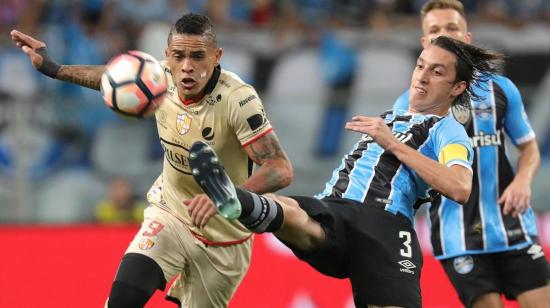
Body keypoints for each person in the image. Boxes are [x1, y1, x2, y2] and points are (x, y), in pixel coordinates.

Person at [188, 36, 506, 307]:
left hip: (386, 226)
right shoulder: (390, 118)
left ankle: (242, 202)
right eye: (420, 65)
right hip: (336, 210)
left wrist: (393, 144)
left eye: (437, 72)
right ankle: (236, 201)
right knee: (290, 210)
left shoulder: (448, 131)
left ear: (457, 87)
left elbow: (460, 186)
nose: (422, 76)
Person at [11, 13, 293, 308]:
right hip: (169, 215)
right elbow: (111, 78)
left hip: (225, 241)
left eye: (197, 56)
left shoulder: (238, 99)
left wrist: (225, 196)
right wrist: (54, 68)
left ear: (216, 56)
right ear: (167, 55)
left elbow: (280, 168)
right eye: (179, 56)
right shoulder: (158, 77)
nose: (187, 67)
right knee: (121, 301)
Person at [392, 1, 550, 307]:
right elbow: (405, 170)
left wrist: (522, 181)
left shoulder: (501, 89)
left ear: (466, 37)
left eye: (452, 27)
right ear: (425, 43)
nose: (445, 35)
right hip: (457, 236)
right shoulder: (408, 105)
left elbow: (528, 147)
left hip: (513, 225)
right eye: (435, 30)